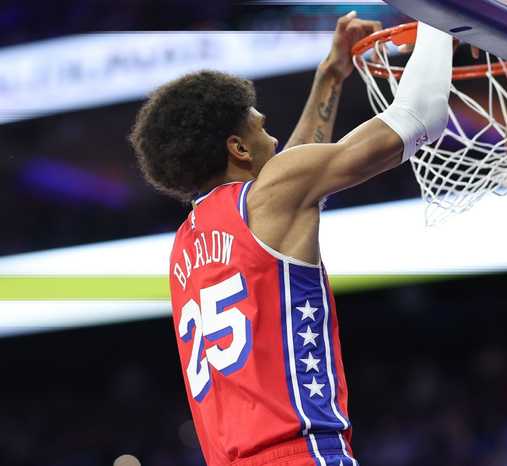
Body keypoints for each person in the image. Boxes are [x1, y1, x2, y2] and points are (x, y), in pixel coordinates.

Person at [129, 12, 453, 466]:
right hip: (303, 454)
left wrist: (330, 75)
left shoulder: (184, 246)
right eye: (261, 128)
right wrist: (443, 17)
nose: (275, 138)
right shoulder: (271, 198)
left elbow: (295, 172)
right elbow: (421, 115)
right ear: (238, 148)